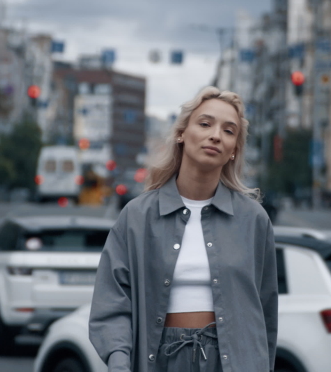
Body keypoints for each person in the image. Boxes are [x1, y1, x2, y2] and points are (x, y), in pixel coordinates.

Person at [89, 86, 278, 372]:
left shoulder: (254, 220)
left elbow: (266, 314)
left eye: (229, 131)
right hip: (159, 359)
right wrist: (119, 362)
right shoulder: (138, 217)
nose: (216, 135)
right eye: (205, 124)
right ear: (181, 134)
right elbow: (111, 304)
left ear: (233, 151)